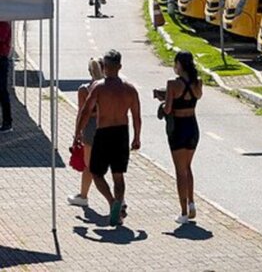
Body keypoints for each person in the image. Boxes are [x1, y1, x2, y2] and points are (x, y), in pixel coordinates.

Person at [74, 49, 141, 226]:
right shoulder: (130, 89)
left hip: (103, 133)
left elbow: (85, 112)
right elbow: (136, 116)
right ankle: (117, 208)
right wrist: (137, 137)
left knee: (96, 173)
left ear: (106, 67)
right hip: (121, 133)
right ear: (120, 66)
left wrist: (77, 133)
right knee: (118, 175)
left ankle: (112, 203)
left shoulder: (99, 87)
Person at [156, 51, 203, 224]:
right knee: (188, 167)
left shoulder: (172, 84)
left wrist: (162, 100)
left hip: (178, 128)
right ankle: (191, 203)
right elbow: (194, 97)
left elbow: (168, 109)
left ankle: (183, 212)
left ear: (179, 65)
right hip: (193, 126)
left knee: (179, 170)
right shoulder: (198, 83)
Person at [67, 59, 104, 206]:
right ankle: (83, 195)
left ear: (89, 71)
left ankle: (84, 196)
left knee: (89, 165)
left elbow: (82, 113)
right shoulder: (108, 88)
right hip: (107, 126)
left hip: (89, 129)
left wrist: (77, 132)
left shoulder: (84, 89)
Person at [0, 21, 12, 133]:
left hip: (1, 60)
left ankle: (7, 122)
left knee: (2, 91)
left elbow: (1, 38)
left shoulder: (4, 24)